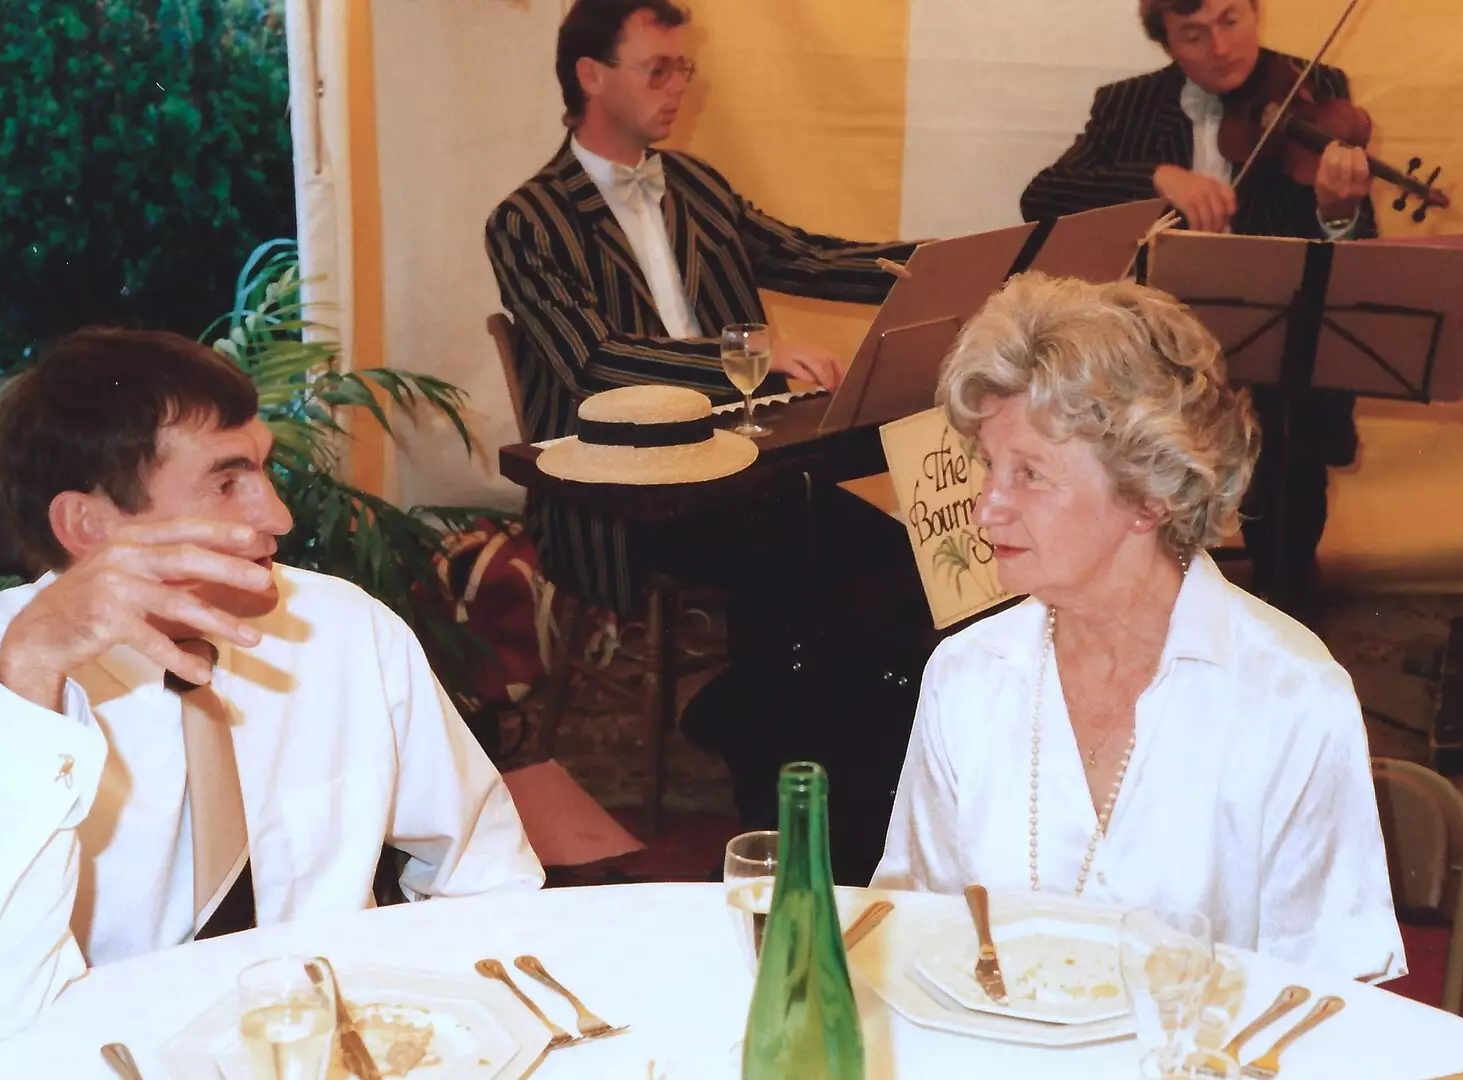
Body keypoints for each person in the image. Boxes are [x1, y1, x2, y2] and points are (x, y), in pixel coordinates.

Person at [0, 329, 543, 1040]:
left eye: (263, 472)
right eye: (226, 482)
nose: (278, 517)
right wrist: (31, 681)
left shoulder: (344, 630)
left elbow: (485, 874)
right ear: (88, 524)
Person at [486, 0, 930, 879]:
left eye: (683, 68)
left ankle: (800, 758)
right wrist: (753, 359)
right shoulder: (526, 219)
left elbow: (807, 255)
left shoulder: (695, 185)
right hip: (625, 493)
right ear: (591, 76)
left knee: (897, 560)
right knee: (802, 569)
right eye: (659, 68)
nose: (678, 85)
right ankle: (774, 780)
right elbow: (596, 359)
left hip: (745, 466)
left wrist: (943, 263)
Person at [873, 274, 1405, 983]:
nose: (986, 509)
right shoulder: (966, 675)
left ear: (1149, 496)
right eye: (990, 467)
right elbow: (913, 933)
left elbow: (1326, 1000)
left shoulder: (1290, 697)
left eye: (1030, 474)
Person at [1019, 0, 1378, 615]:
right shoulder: (1127, 104)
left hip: (1275, 353)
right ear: (1168, 43)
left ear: (1256, 13)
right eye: (1194, 33)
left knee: (1288, 430)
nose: (1220, 47)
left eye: (1232, 20)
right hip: (1159, 355)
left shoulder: (1314, 90)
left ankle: (1285, 604)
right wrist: (1157, 177)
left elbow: (1355, 243)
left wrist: (1336, 209)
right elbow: (1043, 195)